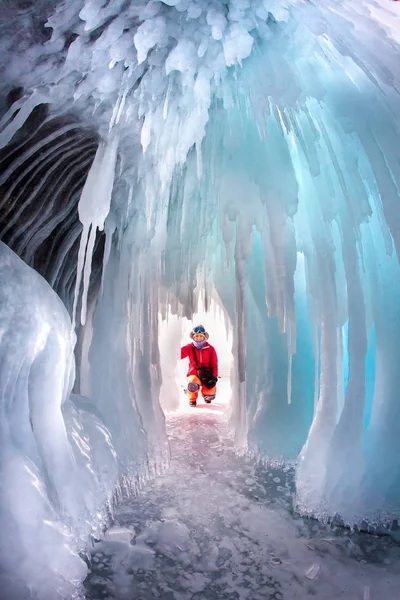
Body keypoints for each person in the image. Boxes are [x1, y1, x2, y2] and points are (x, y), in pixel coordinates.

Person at [181, 325, 218, 407]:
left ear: (204, 337)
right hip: (194, 375)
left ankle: (206, 395)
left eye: (201, 336)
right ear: (193, 337)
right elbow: (178, 354)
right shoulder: (189, 348)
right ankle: (192, 399)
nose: (198, 338)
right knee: (192, 384)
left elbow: (214, 365)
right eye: (196, 336)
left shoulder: (210, 349)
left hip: (206, 376)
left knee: (210, 394)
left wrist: (214, 377)